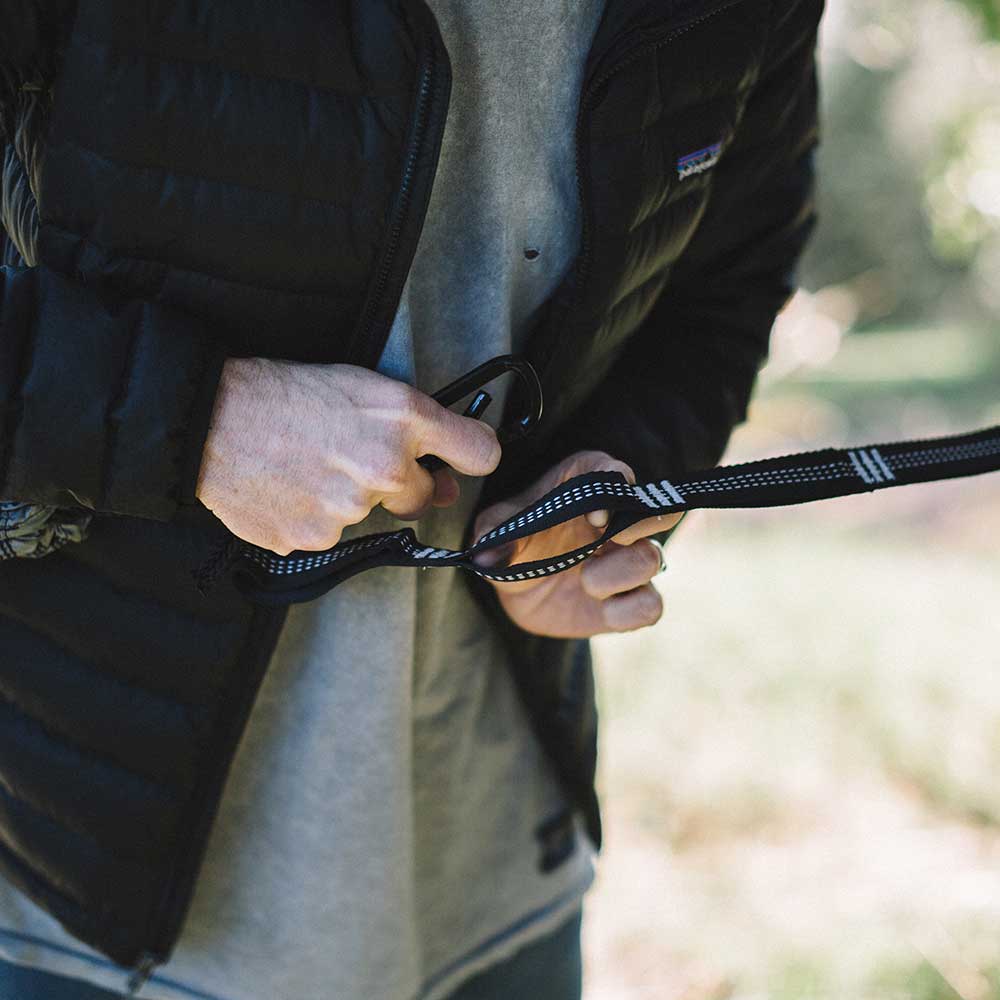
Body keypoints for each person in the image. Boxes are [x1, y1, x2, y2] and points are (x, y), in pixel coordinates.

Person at [0, 0, 824, 997]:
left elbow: (729, 275)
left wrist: (620, 476)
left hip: (495, 872)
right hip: (78, 878)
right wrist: (196, 420)